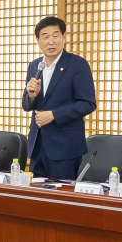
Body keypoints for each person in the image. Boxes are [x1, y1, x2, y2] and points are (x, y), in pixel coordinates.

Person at [22, 16, 97, 180]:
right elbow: (26, 105)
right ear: (38, 40)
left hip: (65, 146)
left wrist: (54, 115)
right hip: (38, 143)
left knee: (62, 192)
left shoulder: (77, 64)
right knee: (37, 191)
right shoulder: (35, 65)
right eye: (45, 37)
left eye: (55, 36)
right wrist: (32, 96)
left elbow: (88, 103)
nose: (51, 41)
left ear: (64, 37)